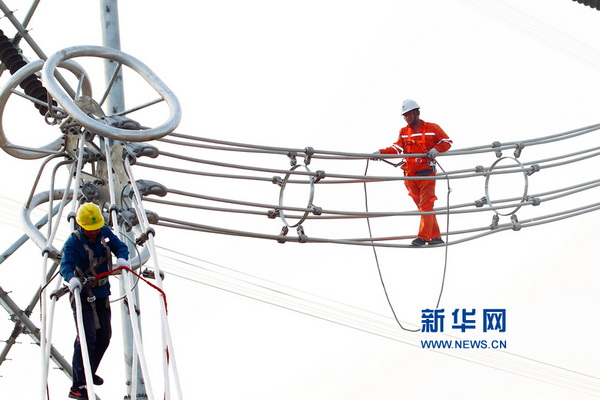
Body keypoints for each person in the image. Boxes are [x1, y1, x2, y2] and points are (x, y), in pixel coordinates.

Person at [60, 202, 130, 399]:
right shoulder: (73, 242)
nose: (93, 233)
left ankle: (89, 373)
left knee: (104, 337)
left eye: (96, 228)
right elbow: (66, 264)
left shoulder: (104, 233)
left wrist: (122, 258)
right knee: (87, 337)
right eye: (89, 230)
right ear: (81, 226)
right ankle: (78, 385)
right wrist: (71, 278)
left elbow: (120, 246)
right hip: (82, 296)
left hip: (102, 294)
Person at [374, 99, 452, 246]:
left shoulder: (432, 128)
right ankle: (436, 237)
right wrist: (380, 153)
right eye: (405, 115)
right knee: (423, 208)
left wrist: (436, 149)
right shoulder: (404, 133)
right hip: (410, 177)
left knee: (426, 206)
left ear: (417, 113)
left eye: (410, 114)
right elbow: (397, 149)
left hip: (427, 174)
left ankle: (423, 237)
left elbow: (447, 141)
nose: (407, 118)